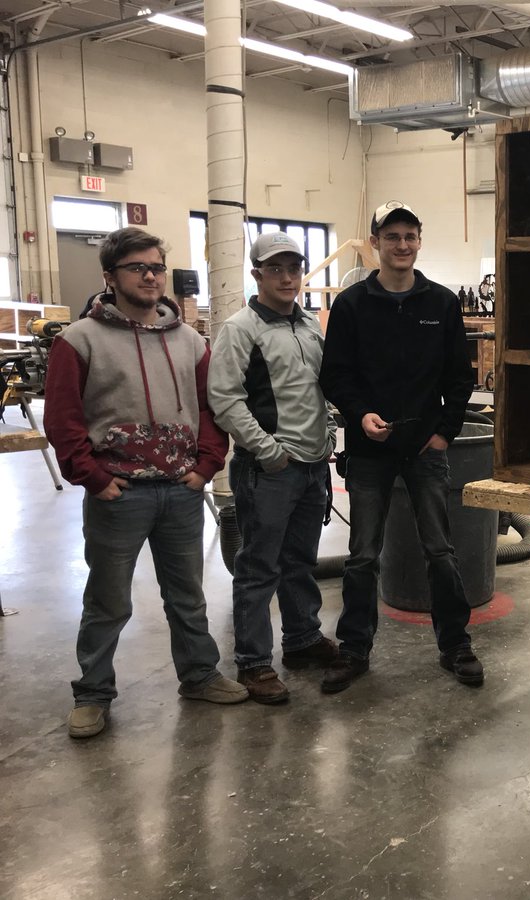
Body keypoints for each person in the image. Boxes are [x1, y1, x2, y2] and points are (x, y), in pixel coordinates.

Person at [43, 226, 247, 740]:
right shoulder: (79, 340)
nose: (151, 276)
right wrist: (93, 478)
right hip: (119, 494)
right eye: (138, 268)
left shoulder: (189, 341)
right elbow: (63, 418)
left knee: (188, 595)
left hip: (181, 490)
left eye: (156, 267)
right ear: (110, 277)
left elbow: (209, 409)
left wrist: (206, 465)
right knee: (108, 600)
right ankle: (93, 693)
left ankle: (199, 675)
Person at [318, 201, 480, 692]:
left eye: (410, 236)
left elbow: (460, 377)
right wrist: (359, 415)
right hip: (370, 451)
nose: (402, 245)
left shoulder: (441, 303)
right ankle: (354, 649)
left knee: (441, 551)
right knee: (363, 555)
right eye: (392, 237)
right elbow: (335, 375)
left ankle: (455, 645)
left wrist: (445, 431)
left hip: (425, 449)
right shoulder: (351, 305)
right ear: (375, 243)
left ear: (419, 241)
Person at [207, 232, 339, 704]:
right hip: (269, 469)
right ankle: (253, 662)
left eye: (294, 268)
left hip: (312, 465)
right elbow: (225, 398)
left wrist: (327, 434)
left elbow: (319, 389)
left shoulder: (309, 324)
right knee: (259, 566)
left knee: (299, 561)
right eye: (275, 269)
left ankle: (301, 639)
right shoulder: (240, 329)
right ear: (257, 274)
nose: (287, 278)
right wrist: (267, 450)